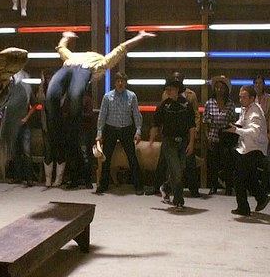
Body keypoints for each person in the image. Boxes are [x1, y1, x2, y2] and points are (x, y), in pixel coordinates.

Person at [46, 30, 155, 193]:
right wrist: (140, 37)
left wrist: (66, 37)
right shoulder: (102, 63)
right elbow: (122, 48)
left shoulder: (73, 57)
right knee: (74, 96)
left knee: (52, 93)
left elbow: (61, 47)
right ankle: (103, 183)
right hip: (82, 72)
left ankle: (57, 130)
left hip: (69, 68)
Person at [149, 77, 196, 208]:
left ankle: (166, 187)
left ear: (177, 90)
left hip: (183, 141)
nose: (169, 91)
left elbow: (192, 126)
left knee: (180, 170)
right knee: (176, 171)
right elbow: (155, 124)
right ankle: (179, 201)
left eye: (171, 89)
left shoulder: (187, 105)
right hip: (169, 142)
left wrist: (191, 143)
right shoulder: (163, 106)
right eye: (167, 89)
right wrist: (151, 141)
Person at [95, 72, 144, 195]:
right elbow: (102, 115)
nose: (120, 83)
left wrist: (138, 131)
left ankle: (138, 185)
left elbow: (136, 114)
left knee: (132, 158)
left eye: (122, 81)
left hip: (126, 129)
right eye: (118, 81)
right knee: (106, 158)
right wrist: (99, 133)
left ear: (125, 82)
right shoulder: (107, 97)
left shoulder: (132, 96)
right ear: (115, 82)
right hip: (111, 129)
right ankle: (103, 184)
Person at [227, 85, 270, 215]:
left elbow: (254, 132)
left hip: (255, 148)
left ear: (252, 98)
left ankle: (244, 207)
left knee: (239, 176)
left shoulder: (255, 112)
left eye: (244, 97)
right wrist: (233, 126)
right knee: (249, 176)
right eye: (240, 97)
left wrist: (236, 130)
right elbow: (242, 121)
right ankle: (261, 197)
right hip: (246, 148)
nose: (241, 99)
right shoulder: (246, 108)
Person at [204, 75, 237, 195]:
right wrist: (207, 137)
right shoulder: (209, 103)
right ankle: (213, 187)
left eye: (221, 87)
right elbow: (205, 122)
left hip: (226, 138)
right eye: (217, 87)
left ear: (226, 89)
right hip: (213, 136)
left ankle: (228, 187)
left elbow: (233, 122)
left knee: (228, 164)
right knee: (212, 164)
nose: (219, 89)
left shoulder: (231, 104)